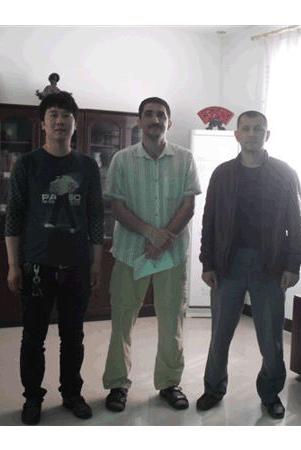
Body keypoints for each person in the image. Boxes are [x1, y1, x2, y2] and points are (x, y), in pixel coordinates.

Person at [196, 110, 301, 419]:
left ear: (267, 135)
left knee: (271, 339)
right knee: (220, 335)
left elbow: (296, 222)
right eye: (246, 129)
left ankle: (270, 394)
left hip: (270, 266)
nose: (252, 134)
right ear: (237, 135)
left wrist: (294, 264)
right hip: (227, 265)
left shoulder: (285, 173)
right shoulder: (222, 174)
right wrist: (207, 263)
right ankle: (213, 388)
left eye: (258, 129)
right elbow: (209, 221)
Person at [5, 92, 104, 425]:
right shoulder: (27, 164)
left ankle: (72, 393)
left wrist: (96, 262)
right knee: (33, 337)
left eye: (66, 116)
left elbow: (95, 215)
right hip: (37, 264)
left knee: (73, 336)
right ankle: (32, 397)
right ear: (43, 123)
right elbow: (14, 216)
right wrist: (13, 265)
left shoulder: (87, 166)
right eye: (54, 115)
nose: (60, 122)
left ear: (75, 124)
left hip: (77, 264)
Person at [102, 97, 202, 412]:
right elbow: (117, 206)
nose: (155, 119)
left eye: (161, 114)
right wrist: (150, 233)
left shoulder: (185, 158)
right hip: (131, 253)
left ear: (169, 122)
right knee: (122, 320)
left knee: (172, 321)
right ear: (139, 121)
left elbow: (189, 205)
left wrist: (162, 239)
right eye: (148, 114)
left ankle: (169, 383)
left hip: (172, 255)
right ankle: (118, 384)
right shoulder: (122, 159)